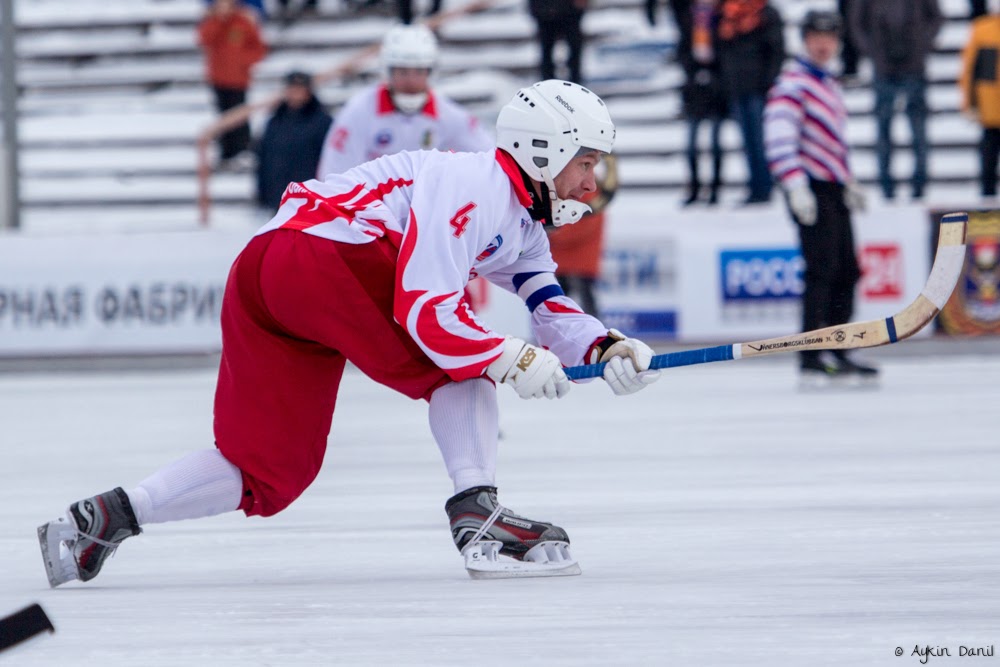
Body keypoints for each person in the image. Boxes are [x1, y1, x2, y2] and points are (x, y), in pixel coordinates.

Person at [37, 80, 662, 587]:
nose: (591, 183)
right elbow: (428, 313)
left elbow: (548, 304)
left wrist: (606, 348)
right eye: (586, 162)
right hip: (325, 255)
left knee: (268, 474)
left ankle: (107, 517)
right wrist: (511, 357)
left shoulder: (519, 224)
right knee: (459, 361)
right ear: (544, 151)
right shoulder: (476, 183)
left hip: (265, 271)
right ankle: (478, 514)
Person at [764, 10, 877, 386]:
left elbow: (830, 140)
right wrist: (794, 184)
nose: (824, 44)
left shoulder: (826, 82)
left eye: (830, 37)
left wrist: (847, 180)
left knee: (847, 270)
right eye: (816, 37)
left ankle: (840, 349)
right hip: (810, 187)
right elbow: (779, 137)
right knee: (822, 272)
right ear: (805, 39)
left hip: (831, 187)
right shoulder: (793, 83)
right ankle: (812, 357)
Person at [315, 24, 493, 178]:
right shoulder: (359, 112)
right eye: (402, 72)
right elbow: (334, 172)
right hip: (371, 208)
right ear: (388, 71)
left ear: (430, 72)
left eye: (419, 72)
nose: (411, 81)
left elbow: (488, 158)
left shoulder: (449, 115)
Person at [850, 0, 942, 200]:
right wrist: (872, 52)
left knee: (918, 131)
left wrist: (922, 44)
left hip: (914, 66)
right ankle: (887, 188)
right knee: (884, 131)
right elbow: (857, 23)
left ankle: (919, 186)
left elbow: (935, 17)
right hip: (883, 66)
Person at [714, 0, 785, 205]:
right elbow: (720, 52)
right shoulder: (725, 15)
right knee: (747, 142)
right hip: (736, 87)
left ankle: (765, 186)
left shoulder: (766, 14)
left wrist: (768, 82)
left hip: (758, 88)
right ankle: (755, 185)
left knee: (760, 141)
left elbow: (776, 51)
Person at [197, 0, 268, 165]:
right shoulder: (212, 22)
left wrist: (243, 62)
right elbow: (204, 39)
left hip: (238, 77)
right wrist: (217, 21)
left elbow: (258, 48)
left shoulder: (243, 21)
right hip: (218, 76)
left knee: (240, 113)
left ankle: (243, 148)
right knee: (223, 113)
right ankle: (227, 150)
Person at [546, 155, 618, 316]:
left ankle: (558, 333)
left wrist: (553, 235)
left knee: (560, 299)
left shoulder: (570, 188)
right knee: (578, 297)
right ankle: (594, 335)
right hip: (579, 256)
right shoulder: (594, 192)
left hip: (570, 254)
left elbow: (584, 224)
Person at [256, 71, 333, 214]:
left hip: (311, 197)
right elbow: (264, 158)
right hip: (280, 196)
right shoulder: (275, 121)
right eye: (292, 89)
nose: (295, 94)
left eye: (300, 89)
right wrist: (263, 193)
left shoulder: (323, 122)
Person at [675, 0, 727, 206]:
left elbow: (728, 51)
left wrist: (715, 75)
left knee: (715, 142)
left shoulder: (722, 18)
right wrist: (693, 72)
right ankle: (694, 188)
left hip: (717, 91)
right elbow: (682, 50)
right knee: (691, 144)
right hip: (694, 91)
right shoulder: (689, 18)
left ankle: (715, 189)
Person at [959, 7, 1000, 197]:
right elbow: (969, 69)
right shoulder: (982, 28)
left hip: (990, 106)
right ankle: (988, 205)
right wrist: (969, 103)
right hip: (990, 108)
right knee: (988, 160)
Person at [529, 0, 587, 85]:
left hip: (570, 10)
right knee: (546, 49)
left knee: (574, 46)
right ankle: (547, 84)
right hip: (544, 10)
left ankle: (575, 82)